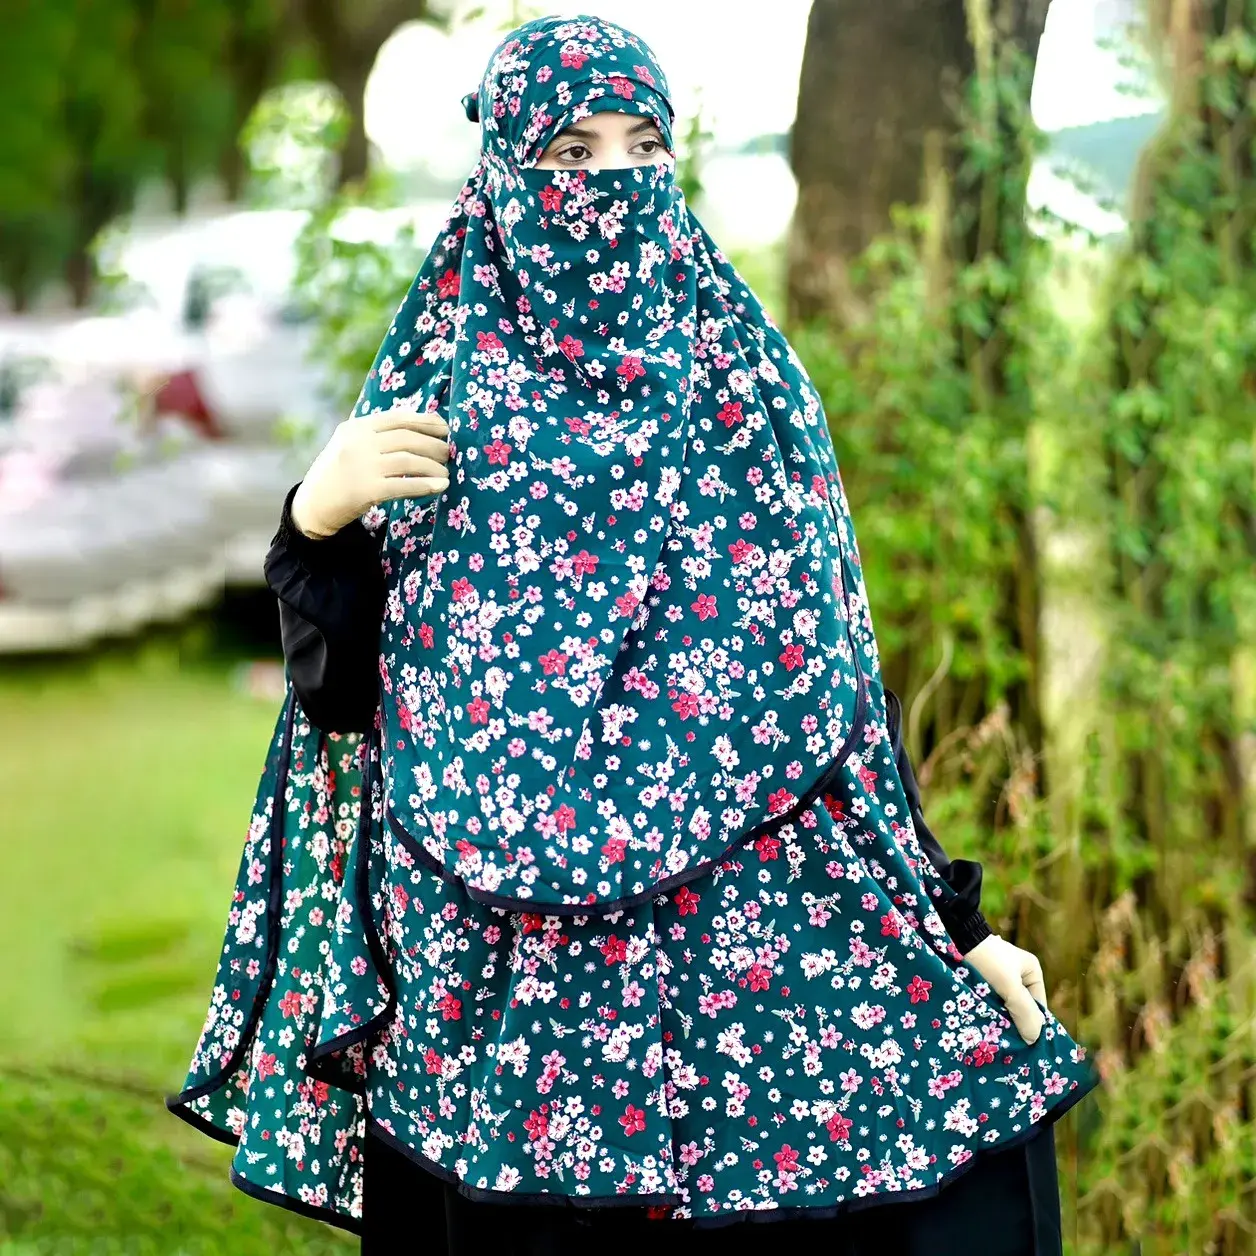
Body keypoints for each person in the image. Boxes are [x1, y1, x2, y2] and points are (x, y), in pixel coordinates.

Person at [168, 15, 1099, 1256]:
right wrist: (316, 521)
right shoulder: (439, 396)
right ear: (504, 175)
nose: (610, 179)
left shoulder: (747, 389)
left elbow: (834, 703)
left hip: (734, 967)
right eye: (569, 150)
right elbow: (349, 701)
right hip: (506, 1003)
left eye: (642, 144)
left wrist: (953, 921)